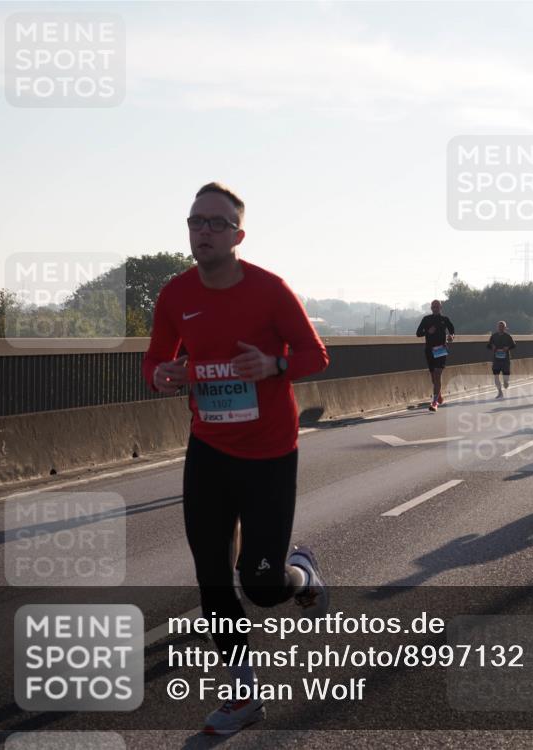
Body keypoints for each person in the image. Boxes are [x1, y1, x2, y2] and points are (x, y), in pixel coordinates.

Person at [143, 183, 330, 735]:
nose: (204, 231)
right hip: (209, 451)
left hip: (270, 453)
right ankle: (244, 694)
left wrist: (274, 365)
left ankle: (302, 571)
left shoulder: (269, 290)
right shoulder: (175, 294)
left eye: (217, 223)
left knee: (262, 586)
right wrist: (161, 375)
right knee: (212, 577)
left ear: (238, 236)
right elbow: (155, 361)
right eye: (196, 221)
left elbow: (316, 355)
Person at [416, 300, 455, 411]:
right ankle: (439, 395)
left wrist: (451, 337)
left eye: (437, 306)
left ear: (440, 307)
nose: (435, 308)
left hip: (441, 349)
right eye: (433, 307)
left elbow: (452, 331)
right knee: (434, 378)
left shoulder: (445, 319)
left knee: (437, 375)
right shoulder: (426, 319)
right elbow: (418, 333)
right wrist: (428, 332)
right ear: (431, 308)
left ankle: (434, 402)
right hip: (429, 350)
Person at [487, 320, 516, 398]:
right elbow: (488, 345)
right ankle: (500, 392)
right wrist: (492, 346)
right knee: (496, 375)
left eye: (502, 326)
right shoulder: (494, 336)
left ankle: (506, 382)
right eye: (499, 326)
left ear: (505, 328)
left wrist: (508, 347)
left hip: (505, 359)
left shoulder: (508, 336)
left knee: (506, 377)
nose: (501, 327)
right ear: (497, 327)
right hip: (496, 359)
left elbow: (513, 345)